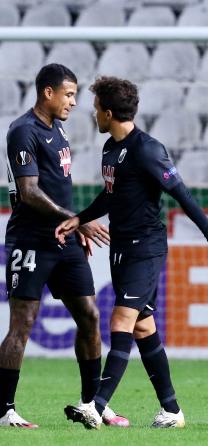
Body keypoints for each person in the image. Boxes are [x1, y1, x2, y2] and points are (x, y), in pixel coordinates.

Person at [58, 76, 208, 429]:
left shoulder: (148, 149)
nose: (93, 114)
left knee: (120, 321)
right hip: (121, 248)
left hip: (146, 248)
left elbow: (182, 194)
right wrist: (79, 219)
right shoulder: (111, 148)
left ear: (109, 113)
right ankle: (171, 410)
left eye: (96, 109)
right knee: (142, 328)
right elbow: (110, 196)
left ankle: (95, 406)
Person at [0, 64, 128, 428]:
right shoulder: (23, 131)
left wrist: (73, 227)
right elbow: (28, 192)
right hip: (32, 241)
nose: (74, 102)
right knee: (22, 324)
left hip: (64, 239)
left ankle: (93, 404)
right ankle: (4, 410)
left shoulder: (57, 130)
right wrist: (78, 219)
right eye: (69, 94)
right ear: (48, 93)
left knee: (89, 316)